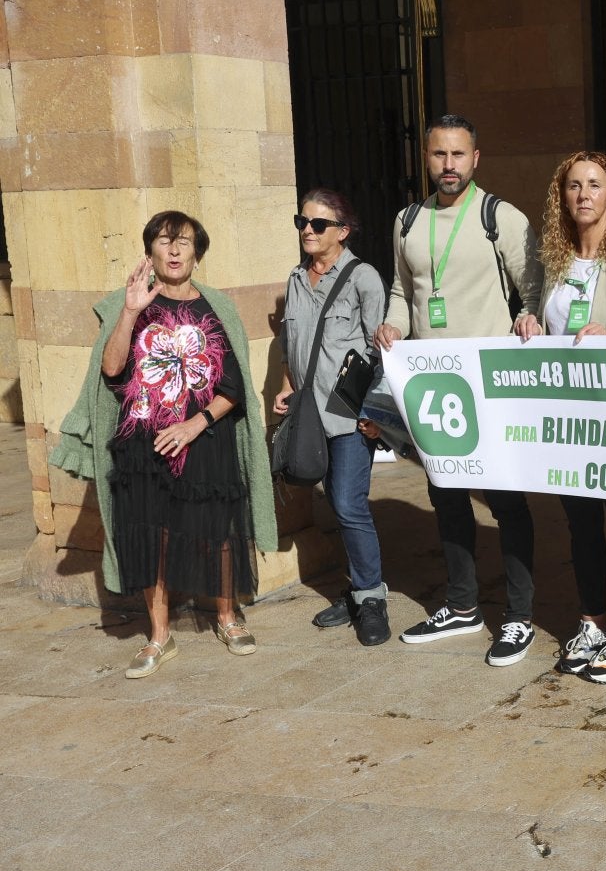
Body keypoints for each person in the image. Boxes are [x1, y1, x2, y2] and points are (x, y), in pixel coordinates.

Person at [52, 211, 277, 678]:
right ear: (150, 251)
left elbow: (233, 386)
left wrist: (196, 424)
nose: (174, 250)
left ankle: (227, 616)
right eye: (163, 241)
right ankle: (159, 636)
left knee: (218, 532)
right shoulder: (128, 304)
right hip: (144, 447)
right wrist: (131, 312)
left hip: (204, 439)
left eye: (184, 242)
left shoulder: (217, 307)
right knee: (151, 536)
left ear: (198, 252)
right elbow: (112, 371)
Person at [377, 114, 545, 667]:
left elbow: (535, 289)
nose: (448, 166)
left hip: (489, 385)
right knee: (446, 495)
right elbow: (403, 290)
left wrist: (529, 318)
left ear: (477, 158)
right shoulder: (406, 220)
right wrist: (394, 324)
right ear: (426, 159)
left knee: (504, 501)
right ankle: (463, 604)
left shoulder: (501, 217)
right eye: (438, 155)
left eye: (458, 155)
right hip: (434, 384)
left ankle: (519, 616)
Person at [516, 151, 606, 683]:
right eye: (573, 186)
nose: (583, 195)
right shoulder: (553, 262)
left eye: (594, 185)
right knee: (581, 525)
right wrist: (528, 318)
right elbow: (543, 318)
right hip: (568, 420)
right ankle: (593, 623)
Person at [275, 189, 390, 646]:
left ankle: (371, 597)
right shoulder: (295, 279)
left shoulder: (364, 279)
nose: (307, 229)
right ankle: (357, 588)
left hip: (348, 414)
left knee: (348, 504)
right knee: (336, 504)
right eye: (302, 221)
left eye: (318, 224)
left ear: (342, 231)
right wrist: (287, 384)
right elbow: (290, 343)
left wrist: (375, 412)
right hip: (310, 415)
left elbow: (380, 354)